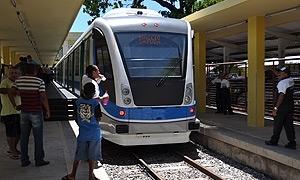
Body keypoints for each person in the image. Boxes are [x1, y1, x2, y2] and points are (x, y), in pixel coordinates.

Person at [9, 63, 51, 167]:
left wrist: (15, 105)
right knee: (38, 137)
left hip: (24, 112)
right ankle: (39, 160)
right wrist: (48, 110)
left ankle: (24, 160)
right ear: (35, 71)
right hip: (36, 112)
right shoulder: (39, 81)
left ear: (24, 71)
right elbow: (43, 97)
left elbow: (11, 92)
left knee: (24, 137)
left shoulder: (19, 81)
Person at [62, 82, 102, 180]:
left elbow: (75, 116)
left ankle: (72, 175)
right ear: (94, 93)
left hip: (83, 133)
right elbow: (99, 118)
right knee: (92, 155)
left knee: (78, 155)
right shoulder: (96, 103)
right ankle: (90, 175)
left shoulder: (77, 102)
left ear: (83, 91)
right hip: (94, 133)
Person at [265, 66, 296, 149]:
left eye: (280, 72)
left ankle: (274, 141)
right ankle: (292, 142)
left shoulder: (282, 83)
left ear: (285, 73)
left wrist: (275, 108)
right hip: (290, 106)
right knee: (289, 125)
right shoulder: (291, 80)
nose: (278, 74)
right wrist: (272, 70)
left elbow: (281, 95)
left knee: (277, 124)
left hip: (282, 107)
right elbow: (279, 75)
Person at [0, 66, 21, 160]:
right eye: (12, 73)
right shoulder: (5, 82)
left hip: (18, 112)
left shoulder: (19, 83)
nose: (14, 75)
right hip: (8, 112)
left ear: (19, 74)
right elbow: (3, 90)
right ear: (8, 73)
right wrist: (14, 91)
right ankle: (12, 151)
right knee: (10, 133)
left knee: (18, 133)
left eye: (16, 73)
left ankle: (13, 148)